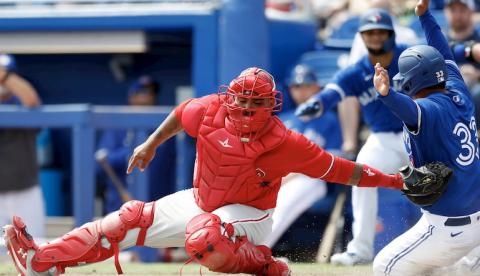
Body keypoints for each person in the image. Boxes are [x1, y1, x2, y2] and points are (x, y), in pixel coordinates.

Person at [3, 67, 437, 276]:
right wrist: (151, 143)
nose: (247, 110)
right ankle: (43, 260)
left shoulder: (287, 142)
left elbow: (345, 171)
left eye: (256, 104)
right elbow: (179, 113)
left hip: (249, 215)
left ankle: (269, 267)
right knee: (126, 218)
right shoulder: (209, 110)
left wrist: (398, 179)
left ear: (271, 106)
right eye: (242, 102)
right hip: (200, 200)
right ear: (229, 99)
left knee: (205, 239)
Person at [372, 0, 480, 275]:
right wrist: (425, 16)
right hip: (477, 223)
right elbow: (442, 50)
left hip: (445, 228)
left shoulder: (426, 109)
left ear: (411, 81)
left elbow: (408, 109)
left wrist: (387, 95)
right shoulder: (457, 86)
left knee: (384, 267)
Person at [296, 8, 410, 265]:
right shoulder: (358, 70)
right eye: (370, 33)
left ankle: (463, 249)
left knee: (442, 183)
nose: (376, 38)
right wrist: (318, 102)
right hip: (382, 139)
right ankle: (361, 248)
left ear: (391, 33)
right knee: (361, 176)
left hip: (417, 133)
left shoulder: (408, 56)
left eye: (381, 32)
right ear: (361, 37)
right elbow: (335, 89)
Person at [263, 64, 342, 248]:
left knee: (281, 205)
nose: (302, 91)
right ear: (290, 89)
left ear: (317, 88)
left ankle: (256, 252)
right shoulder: (282, 120)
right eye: (297, 86)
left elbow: (334, 159)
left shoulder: (329, 119)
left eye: (307, 85)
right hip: (279, 178)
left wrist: (292, 173)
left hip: (312, 179)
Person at [96, 75, 175, 214]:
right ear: (132, 97)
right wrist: (133, 152)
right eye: (143, 92)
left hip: (159, 207)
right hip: (122, 205)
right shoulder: (118, 125)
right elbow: (102, 162)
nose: (148, 97)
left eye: (151, 93)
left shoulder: (163, 126)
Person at [0, 53, 46, 239]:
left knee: (33, 249)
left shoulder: (22, 102)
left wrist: (7, 77)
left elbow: (32, 101)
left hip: (25, 191)